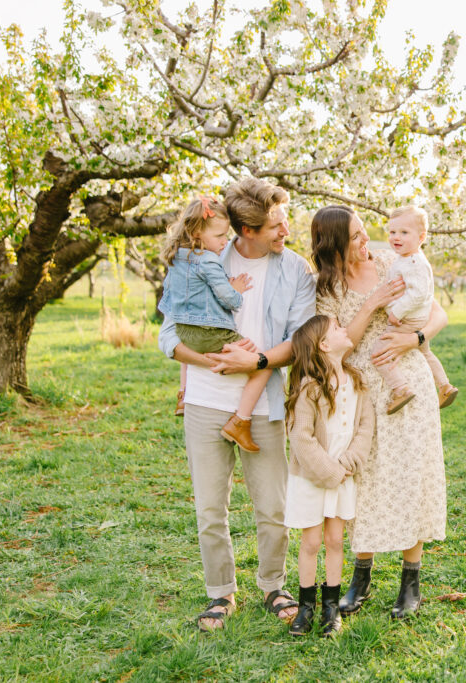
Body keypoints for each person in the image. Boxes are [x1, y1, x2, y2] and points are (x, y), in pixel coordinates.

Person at [158, 178, 314, 631]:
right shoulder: (200, 256)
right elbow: (168, 333)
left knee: (273, 507)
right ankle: (221, 592)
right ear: (247, 230)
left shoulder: (296, 270)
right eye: (276, 226)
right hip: (206, 401)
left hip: (262, 403)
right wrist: (207, 361)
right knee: (210, 509)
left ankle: (273, 585)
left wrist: (256, 360)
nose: (286, 231)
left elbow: (301, 339)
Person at [310, 204, 448, 620]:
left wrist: (414, 339)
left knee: (411, 474)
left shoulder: (393, 260)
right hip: (360, 390)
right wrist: (371, 303)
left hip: (407, 380)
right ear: (335, 245)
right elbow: (339, 343)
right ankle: (361, 576)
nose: (366, 241)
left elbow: (437, 312)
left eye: (364, 231)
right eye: (356, 236)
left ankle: (411, 580)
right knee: (363, 480)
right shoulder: (327, 289)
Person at [283, 315, 374, 637]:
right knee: (311, 542)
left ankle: (331, 607)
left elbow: (365, 427)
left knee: (335, 540)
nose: (344, 329)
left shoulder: (357, 380)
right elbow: (301, 437)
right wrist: (330, 471)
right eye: (336, 328)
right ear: (323, 345)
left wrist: (348, 463)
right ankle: (306, 607)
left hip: (344, 475)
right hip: (312, 477)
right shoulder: (309, 387)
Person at [157, 196, 272, 453]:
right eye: (219, 236)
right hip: (212, 333)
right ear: (197, 233)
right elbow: (229, 299)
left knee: (190, 350)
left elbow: (172, 302)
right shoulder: (208, 259)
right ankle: (241, 421)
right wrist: (236, 290)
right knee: (263, 365)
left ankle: (183, 395)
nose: (224, 241)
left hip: (185, 332)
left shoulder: (176, 258)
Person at [372, 206, 458, 414]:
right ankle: (445, 386)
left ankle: (400, 389)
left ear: (421, 237)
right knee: (425, 351)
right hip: (418, 318)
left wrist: (396, 312)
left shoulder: (414, 262)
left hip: (408, 320)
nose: (396, 237)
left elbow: (418, 294)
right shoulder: (407, 258)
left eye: (404, 232)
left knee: (379, 352)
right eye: (392, 232)